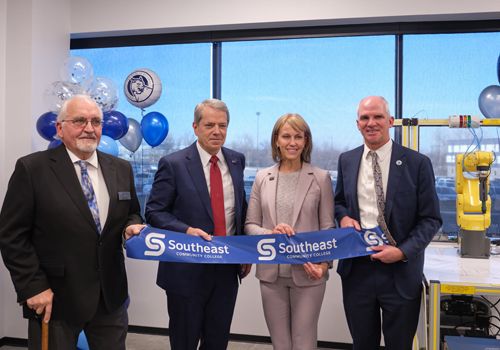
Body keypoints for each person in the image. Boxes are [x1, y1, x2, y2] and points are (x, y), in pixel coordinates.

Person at [0, 94, 145, 350]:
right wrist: (33, 287)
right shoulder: (32, 169)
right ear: (59, 128)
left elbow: (131, 212)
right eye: (79, 120)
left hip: (110, 297)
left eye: (96, 122)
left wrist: (130, 228)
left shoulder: (122, 168)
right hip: (54, 299)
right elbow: (11, 235)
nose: (89, 128)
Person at [335, 96, 442, 350]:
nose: (371, 123)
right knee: (362, 344)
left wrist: (403, 252)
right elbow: (338, 202)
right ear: (357, 124)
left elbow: (431, 219)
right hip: (357, 269)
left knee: (399, 345)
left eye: (378, 117)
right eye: (365, 118)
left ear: (391, 121)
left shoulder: (418, 163)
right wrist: (343, 217)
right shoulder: (347, 160)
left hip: (400, 272)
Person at [145, 98, 251, 350]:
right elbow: (154, 212)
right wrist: (186, 230)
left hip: (226, 268)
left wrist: (245, 252)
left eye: (223, 125)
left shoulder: (237, 161)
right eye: (209, 125)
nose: (217, 131)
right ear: (195, 127)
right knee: (185, 342)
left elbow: (241, 210)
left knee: (217, 341)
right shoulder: (173, 164)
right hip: (186, 270)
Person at [245, 113, 335, 350]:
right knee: (280, 344)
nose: (292, 142)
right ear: (276, 140)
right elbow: (250, 226)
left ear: (306, 141)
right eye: (286, 136)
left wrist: (324, 266)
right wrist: (269, 234)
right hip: (270, 275)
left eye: (298, 136)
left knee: (304, 343)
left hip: (309, 273)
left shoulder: (320, 177)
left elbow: (328, 228)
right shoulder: (262, 177)